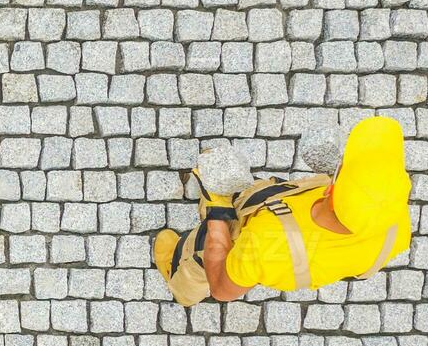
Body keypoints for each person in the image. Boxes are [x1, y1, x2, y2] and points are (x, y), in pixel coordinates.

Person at [154, 116, 413, 304]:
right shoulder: (395, 224)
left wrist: (218, 210)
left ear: (330, 190)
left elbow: (222, 289)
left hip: (243, 241)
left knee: (194, 261)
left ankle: (179, 280)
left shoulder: (267, 245)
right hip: (280, 207)